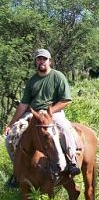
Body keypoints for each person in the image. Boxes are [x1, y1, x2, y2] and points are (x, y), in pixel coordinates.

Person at [5, 48, 80, 187]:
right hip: (33, 113)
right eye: (39, 59)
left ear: (49, 61)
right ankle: (18, 171)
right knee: (10, 138)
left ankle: (71, 162)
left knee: (64, 129)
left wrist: (50, 111)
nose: (42, 61)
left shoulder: (58, 76)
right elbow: (23, 104)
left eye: (44, 59)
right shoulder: (32, 80)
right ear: (36, 61)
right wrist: (11, 124)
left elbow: (66, 100)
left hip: (53, 113)